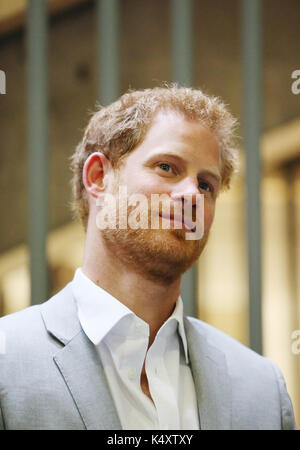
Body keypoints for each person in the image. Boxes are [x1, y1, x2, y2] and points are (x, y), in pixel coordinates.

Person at [0, 85, 297, 430]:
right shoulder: (7, 361)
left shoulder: (262, 390)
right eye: (167, 167)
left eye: (206, 185)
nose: (192, 195)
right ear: (99, 177)